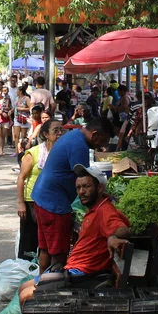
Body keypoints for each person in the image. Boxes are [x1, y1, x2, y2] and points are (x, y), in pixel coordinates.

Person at [18, 163, 131, 304]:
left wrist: (112, 237)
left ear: (100, 187)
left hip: (83, 276)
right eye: (78, 188)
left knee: (25, 296)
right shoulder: (96, 208)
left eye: (86, 186)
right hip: (72, 269)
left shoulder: (104, 211)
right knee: (23, 288)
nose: (81, 192)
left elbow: (123, 229)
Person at [30, 117, 115, 272]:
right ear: (95, 134)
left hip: (43, 197)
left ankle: (40, 285)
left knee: (46, 249)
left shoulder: (73, 135)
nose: (103, 146)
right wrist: (104, 197)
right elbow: (85, 182)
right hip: (54, 203)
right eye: (103, 141)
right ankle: (52, 288)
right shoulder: (79, 146)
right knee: (58, 252)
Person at [17, 121, 65, 261]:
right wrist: (21, 203)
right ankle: (25, 268)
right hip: (32, 202)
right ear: (45, 134)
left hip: (52, 203)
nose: (60, 134)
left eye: (61, 130)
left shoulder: (62, 152)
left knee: (46, 241)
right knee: (29, 240)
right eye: (55, 131)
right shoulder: (34, 153)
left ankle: (42, 272)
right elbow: (21, 178)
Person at [14, 84, 32, 153]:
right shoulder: (16, 98)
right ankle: (16, 151)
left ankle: (22, 150)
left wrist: (22, 109)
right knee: (16, 135)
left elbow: (31, 108)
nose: (16, 92)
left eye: (17, 91)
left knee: (23, 135)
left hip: (24, 118)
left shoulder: (27, 98)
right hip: (17, 117)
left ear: (21, 91)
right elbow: (15, 107)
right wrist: (11, 111)